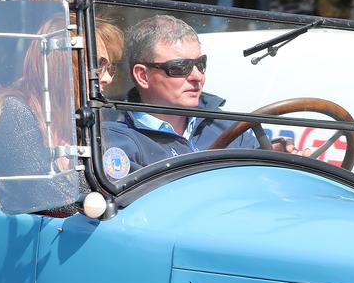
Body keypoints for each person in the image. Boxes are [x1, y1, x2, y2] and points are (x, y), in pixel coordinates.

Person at [0, 18, 109, 208]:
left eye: (110, 68)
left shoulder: (72, 121)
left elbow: (99, 187)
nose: (108, 78)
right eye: (98, 66)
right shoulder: (12, 111)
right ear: (64, 66)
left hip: (37, 223)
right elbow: (50, 198)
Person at [99, 14, 259, 179]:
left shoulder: (226, 126)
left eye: (200, 64)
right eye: (181, 67)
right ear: (143, 76)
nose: (197, 76)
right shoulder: (116, 140)